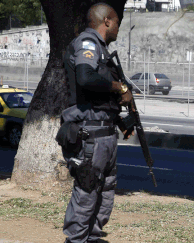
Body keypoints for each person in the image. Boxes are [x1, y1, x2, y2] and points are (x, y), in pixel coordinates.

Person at [59, 3, 134, 242]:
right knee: (87, 190)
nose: (119, 29)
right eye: (118, 23)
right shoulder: (87, 43)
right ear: (107, 21)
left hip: (105, 133)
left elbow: (99, 98)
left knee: (106, 191)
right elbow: (85, 77)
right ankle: (76, 239)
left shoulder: (102, 51)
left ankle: (92, 236)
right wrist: (120, 87)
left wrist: (121, 121)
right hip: (90, 135)